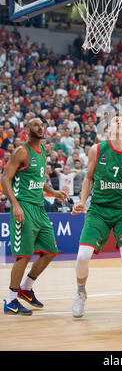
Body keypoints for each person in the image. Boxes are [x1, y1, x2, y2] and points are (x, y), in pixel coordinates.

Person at [71, 115, 122, 318]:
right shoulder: (97, 150)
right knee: (82, 257)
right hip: (98, 210)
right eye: (114, 121)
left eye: (121, 121)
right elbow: (88, 178)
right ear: (107, 130)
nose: (118, 122)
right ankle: (80, 293)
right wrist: (82, 201)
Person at [1, 117, 68, 315]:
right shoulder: (22, 151)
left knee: (51, 250)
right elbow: (5, 178)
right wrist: (15, 205)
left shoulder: (42, 153)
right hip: (24, 207)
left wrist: (53, 192)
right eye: (36, 125)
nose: (40, 127)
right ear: (27, 129)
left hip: (39, 208)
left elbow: (38, 180)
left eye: (42, 125)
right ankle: (11, 301)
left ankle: (26, 288)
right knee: (23, 255)